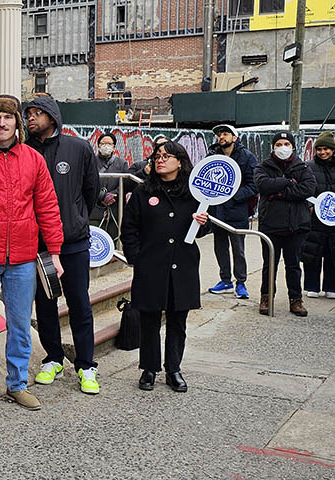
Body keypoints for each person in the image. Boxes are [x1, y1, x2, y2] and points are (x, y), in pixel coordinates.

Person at [0, 95, 64, 414]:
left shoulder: (33, 160)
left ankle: (17, 384)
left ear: (17, 123)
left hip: (23, 258)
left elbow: (47, 206)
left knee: (20, 323)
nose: (2, 123)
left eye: (8, 117)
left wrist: (55, 252)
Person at [23, 96, 102, 394]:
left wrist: (76, 218)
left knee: (79, 302)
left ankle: (86, 364)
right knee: (45, 304)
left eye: (37, 113)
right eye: (28, 114)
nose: (31, 118)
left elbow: (91, 190)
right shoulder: (25, 150)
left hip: (74, 243)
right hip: (39, 245)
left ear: (53, 116)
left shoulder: (78, 148)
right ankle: (53, 358)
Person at [121, 141, 209, 393]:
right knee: (149, 318)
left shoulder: (195, 193)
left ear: (180, 162)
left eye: (167, 156)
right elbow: (129, 228)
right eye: (157, 156)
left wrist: (202, 223)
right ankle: (149, 368)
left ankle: (174, 369)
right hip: (151, 265)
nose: (160, 160)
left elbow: (206, 227)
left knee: (177, 319)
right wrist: (136, 257)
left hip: (183, 264)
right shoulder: (143, 192)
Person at [254, 131, 316, 316]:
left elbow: (308, 188)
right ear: (273, 147)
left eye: (286, 144)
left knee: (294, 265)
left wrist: (279, 193)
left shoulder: (302, 167)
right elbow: (263, 185)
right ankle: (266, 297)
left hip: (297, 226)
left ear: (293, 147)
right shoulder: (263, 166)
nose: (283, 148)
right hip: (270, 226)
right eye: (279, 144)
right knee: (269, 265)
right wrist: (287, 182)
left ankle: (295, 300)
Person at [206, 124, 259, 300]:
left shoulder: (247, 157)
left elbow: (254, 184)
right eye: (219, 134)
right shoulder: (212, 156)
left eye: (225, 134)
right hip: (217, 211)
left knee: (238, 249)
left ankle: (241, 283)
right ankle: (225, 281)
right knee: (220, 248)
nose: (221, 137)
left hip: (237, 212)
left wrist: (232, 196)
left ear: (234, 138)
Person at [303, 132, 335, 299]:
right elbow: (304, 189)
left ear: (333, 149)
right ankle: (311, 286)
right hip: (315, 218)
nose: (322, 152)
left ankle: (333, 287)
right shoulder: (308, 166)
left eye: (326, 149)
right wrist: (309, 205)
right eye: (319, 149)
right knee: (312, 251)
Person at [90, 133, 129, 239]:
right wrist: (100, 196)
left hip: (115, 211)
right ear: (98, 145)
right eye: (103, 143)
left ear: (114, 146)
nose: (106, 146)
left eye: (109, 144)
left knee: (114, 239)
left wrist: (113, 195)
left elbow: (127, 183)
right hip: (94, 211)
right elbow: (86, 182)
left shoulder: (122, 163)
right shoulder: (91, 162)